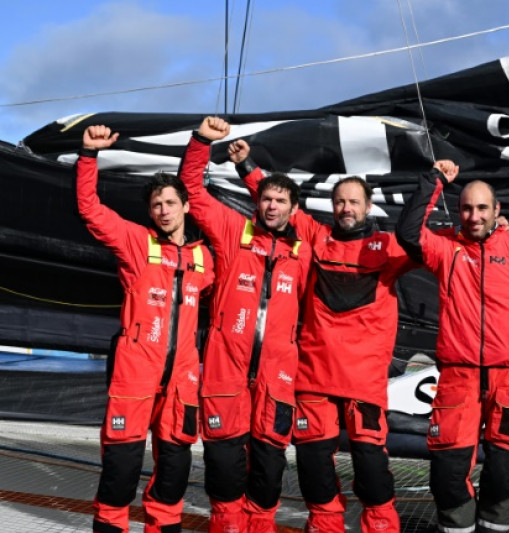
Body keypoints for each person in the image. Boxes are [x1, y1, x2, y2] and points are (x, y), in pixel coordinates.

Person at [229, 138, 413, 533]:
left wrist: (488, 230)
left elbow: (431, 244)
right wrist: (247, 164)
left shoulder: (389, 248)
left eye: (354, 202)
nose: (347, 209)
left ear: (368, 207)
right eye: (340, 202)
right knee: (313, 471)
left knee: (372, 475)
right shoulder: (315, 236)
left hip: (364, 383)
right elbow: (275, 202)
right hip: (313, 380)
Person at [395, 160, 509, 533]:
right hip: (458, 378)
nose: (474, 216)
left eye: (481, 208)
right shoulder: (447, 248)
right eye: (466, 207)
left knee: (504, 473)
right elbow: (408, 232)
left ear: (497, 211)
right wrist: (434, 181)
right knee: (446, 472)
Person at [78, 125, 214, 533]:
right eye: (157, 204)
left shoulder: (206, 258)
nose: (164, 210)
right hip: (135, 372)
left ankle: (164, 526)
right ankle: (110, 524)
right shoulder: (137, 243)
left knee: (174, 468)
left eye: (171, 202)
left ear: (186, 206)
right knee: (121, 466)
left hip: (182, 380)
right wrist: (88, 155)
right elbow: (89, 208)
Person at [178, 117, 312, 533]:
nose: (271, 206)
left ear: (293, 209)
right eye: (266, 199)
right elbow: (192, 190)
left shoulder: (305, 252)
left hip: (277, 380)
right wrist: (201, 141)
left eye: (280, 201)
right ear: (258, 201)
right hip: (226, 376)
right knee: (223, 471)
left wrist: (250, 166)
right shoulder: (233, 230)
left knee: (269, 476)